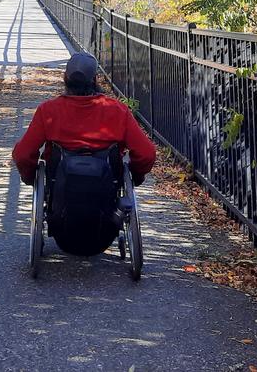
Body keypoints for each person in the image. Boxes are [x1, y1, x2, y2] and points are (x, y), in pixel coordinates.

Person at [12, 52, 156, 256]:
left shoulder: (49, 111)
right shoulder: (116, 111)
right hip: (107, 207)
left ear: (65, 79)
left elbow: (23, 154)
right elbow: (147, 153)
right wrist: (137, 175)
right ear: (95, 80)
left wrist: (30, 177)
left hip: (61, 202)